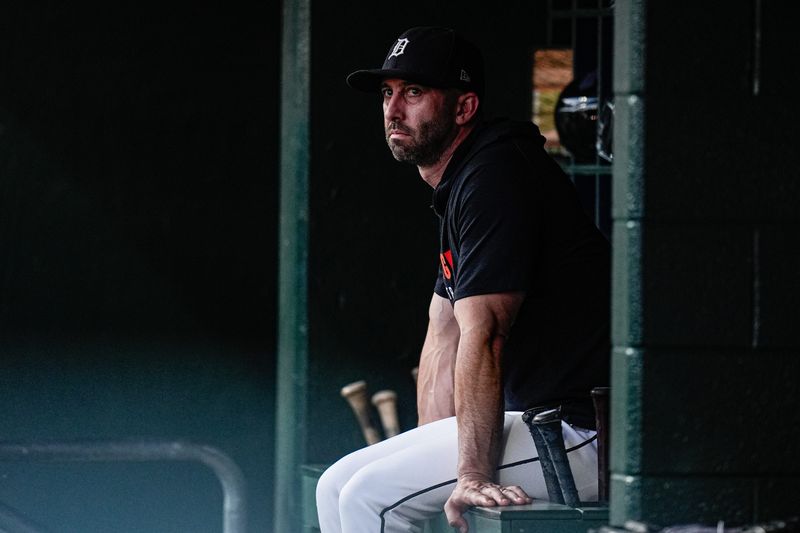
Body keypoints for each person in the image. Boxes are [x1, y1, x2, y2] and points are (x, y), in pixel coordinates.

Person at [316, 26, 610, 533]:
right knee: (335, 485)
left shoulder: (496, 176)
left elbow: (485, 332)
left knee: (369, 498)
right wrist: (432, 454)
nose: (393, 109)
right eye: (387, 94)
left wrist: (470, 473)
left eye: (414, 92)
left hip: (581, 431)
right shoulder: (465, 182)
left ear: (464, 107)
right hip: (539, 422)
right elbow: (443, 331)